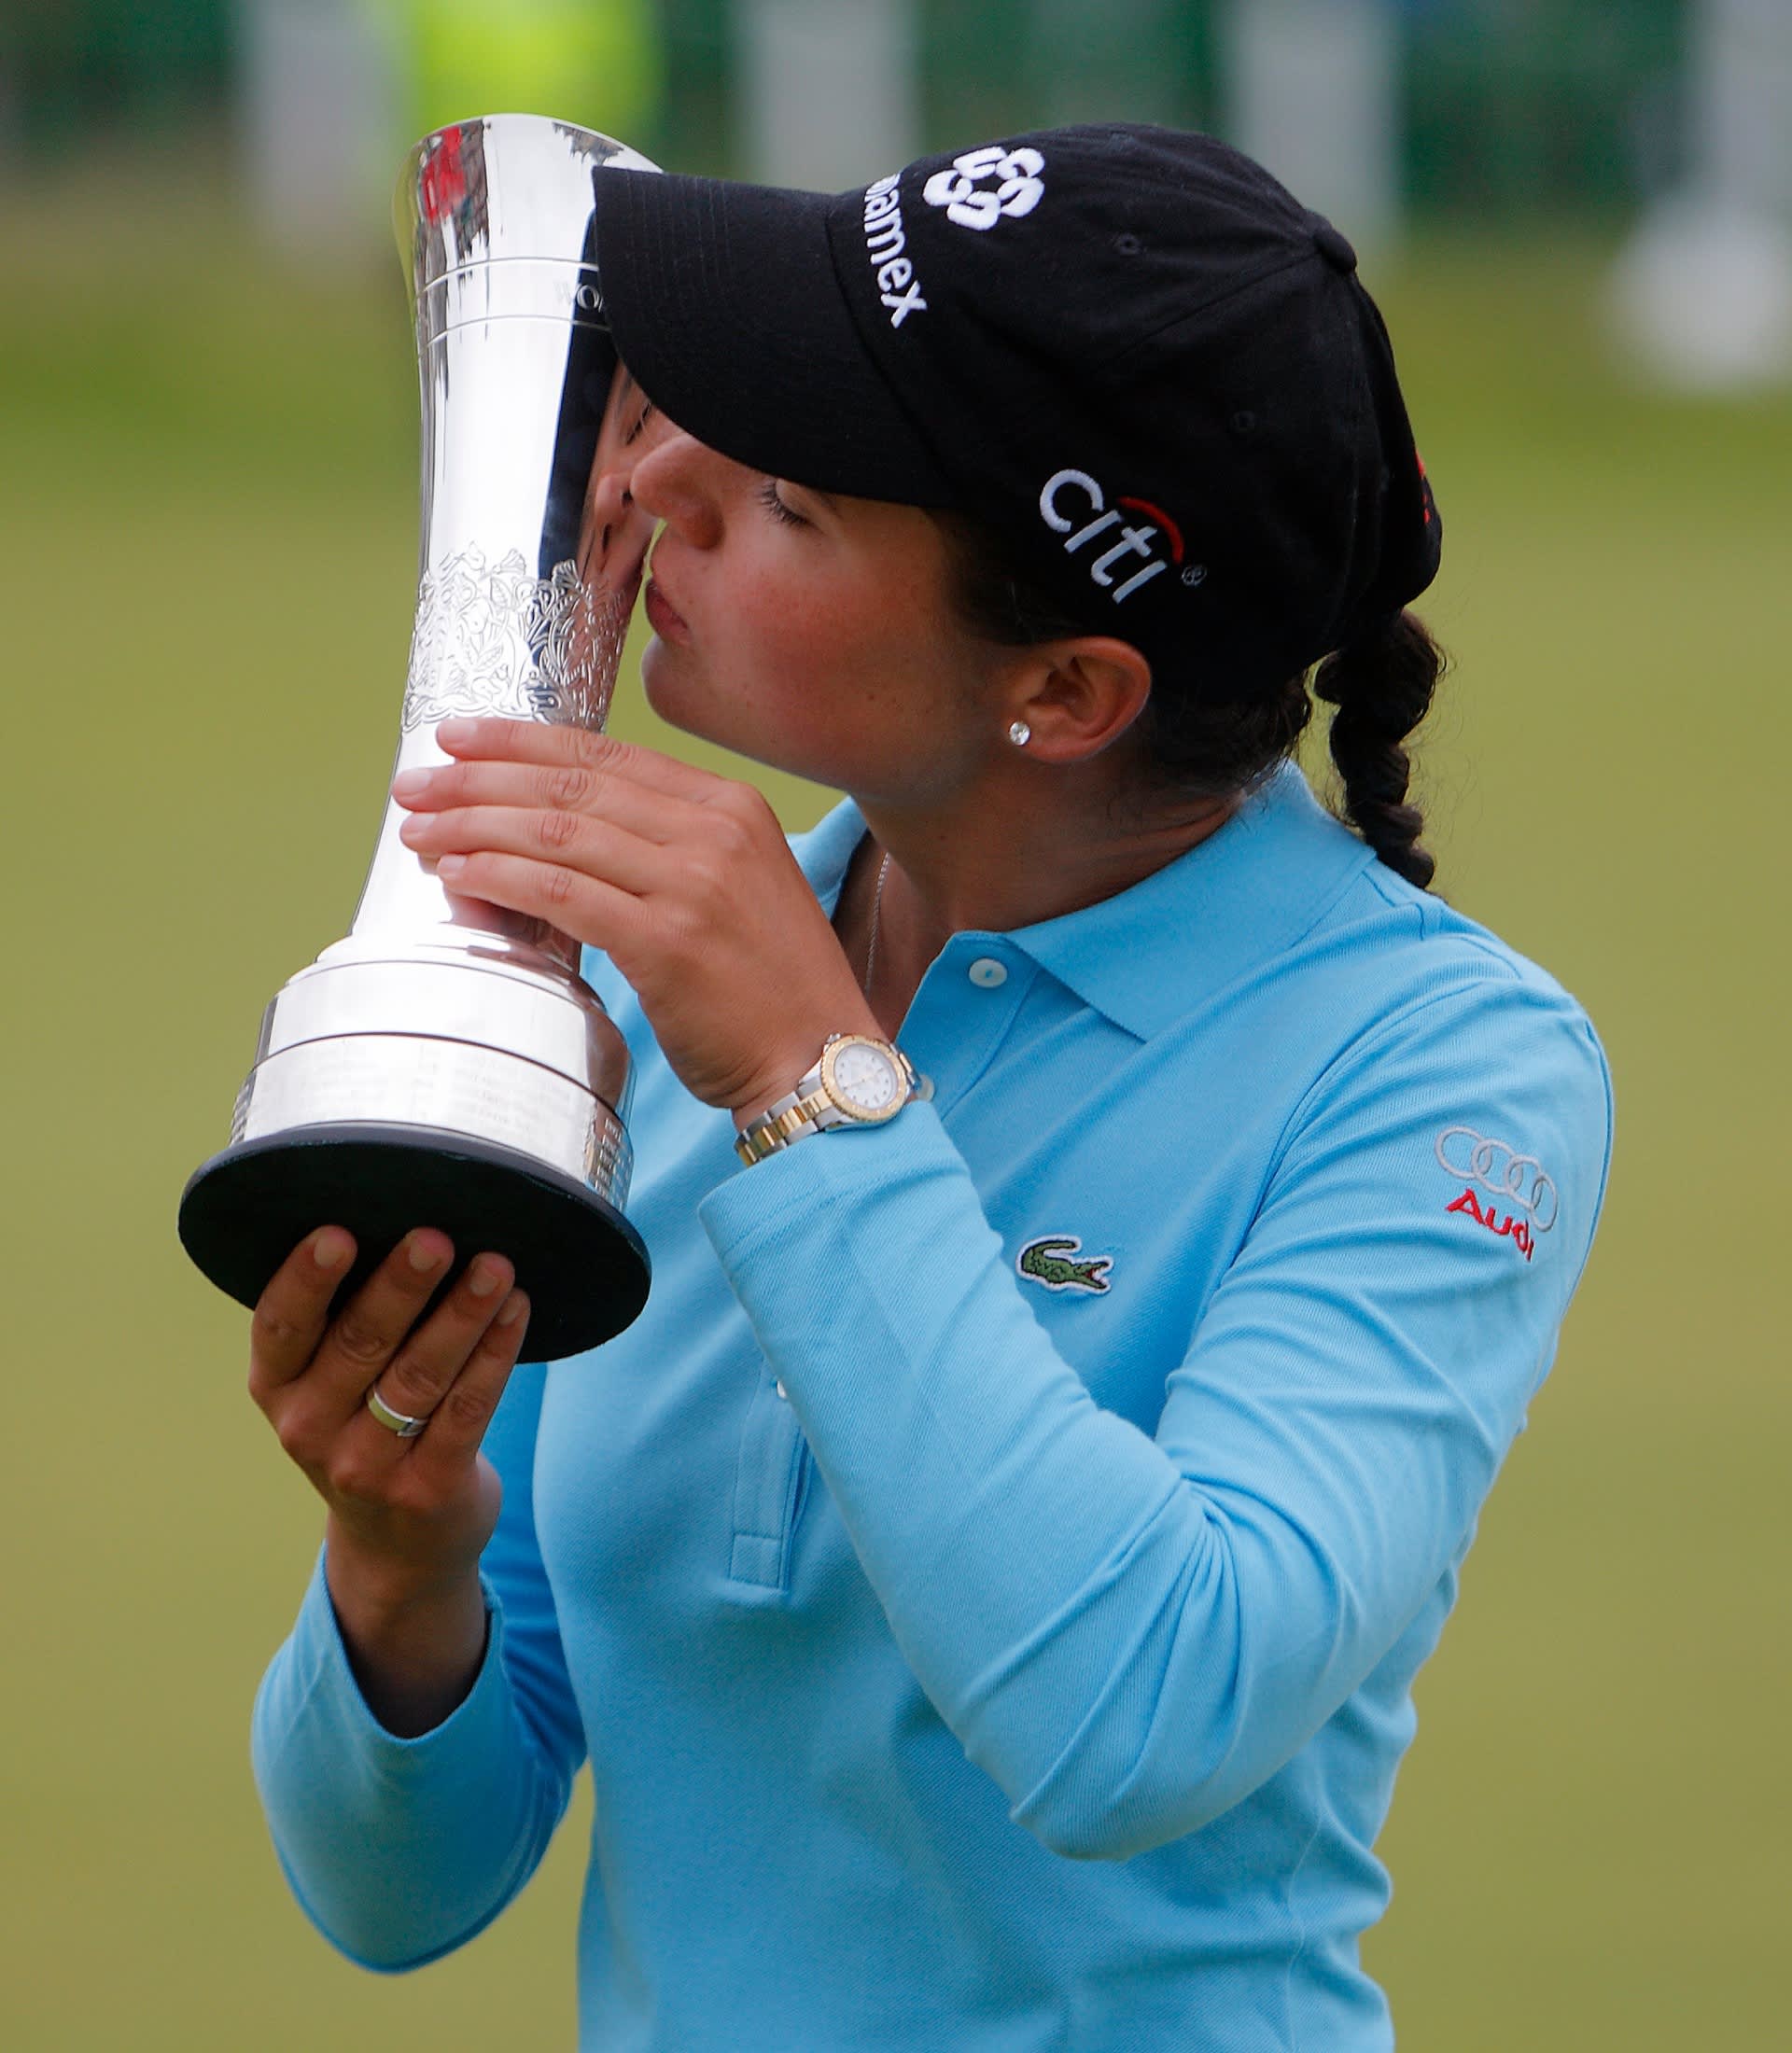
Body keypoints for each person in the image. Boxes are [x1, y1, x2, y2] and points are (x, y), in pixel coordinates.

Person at [247, 126, 1612, 2050]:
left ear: (1061, 688)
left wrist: (812, 1079)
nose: (650, 479)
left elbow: (1140, 1708)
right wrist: (399, 1566)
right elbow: (396, 1891)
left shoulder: (1443, 1070)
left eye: (788, 491)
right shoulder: (648, 986)